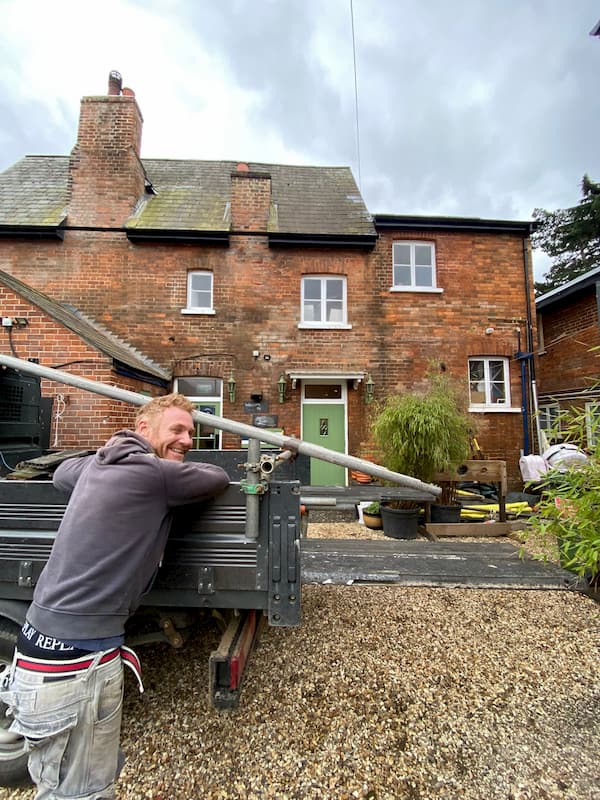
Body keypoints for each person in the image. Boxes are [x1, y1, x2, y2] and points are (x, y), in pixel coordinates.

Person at [0, 393, 230, 799]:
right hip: (77, 662)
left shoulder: (98, 465)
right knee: (81, 792)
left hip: (37, 648)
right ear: (143, 430)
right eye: (176, 429)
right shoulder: (153, 475)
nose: (188, 440)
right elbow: (217, 478)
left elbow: (60, 474)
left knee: (57, 783)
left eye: (192, 433)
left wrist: (104, 454)